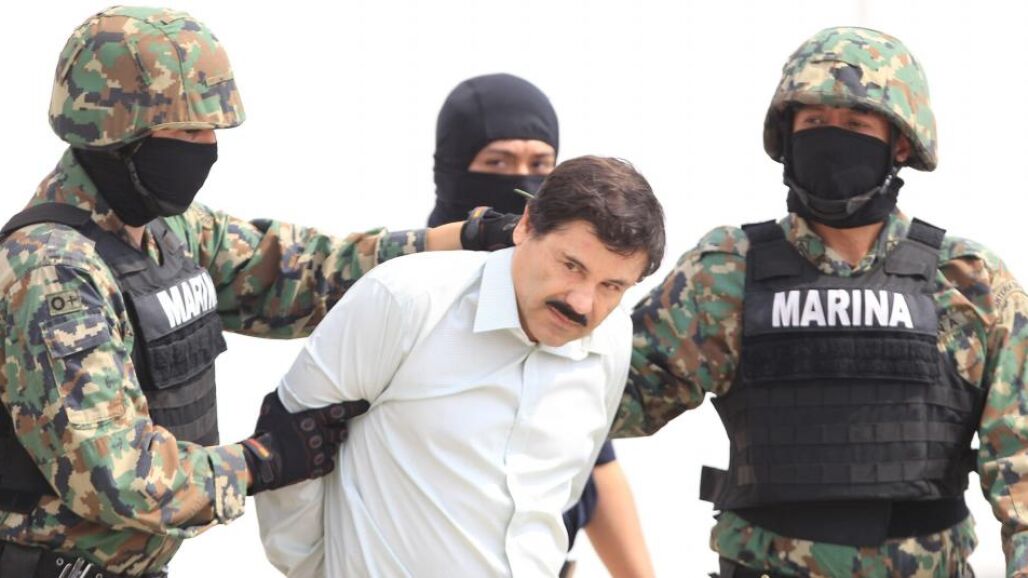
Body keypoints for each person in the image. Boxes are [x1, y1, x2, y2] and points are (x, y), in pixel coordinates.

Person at [0, 7, 494, 577]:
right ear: (116, 132)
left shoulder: (163, 230)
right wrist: (263, 461)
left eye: (211, 130)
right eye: (188, 130)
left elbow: (297, 274)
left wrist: (458, 239)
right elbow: (118, 478)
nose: (207, 146)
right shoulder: (52, 272)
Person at [614, 26, 1028, 577]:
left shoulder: (969, 282)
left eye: (856, 125)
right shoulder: (727, 273)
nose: (832, 139)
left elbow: (1020, 455)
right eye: (814, 122)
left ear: (900, 144)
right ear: (787, 137)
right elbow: (603, 398)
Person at [256, 155, 666, 577]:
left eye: (611, 286)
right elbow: (287, 441)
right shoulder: (404, 301)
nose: (582, 302)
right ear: (526, 225)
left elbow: (566, 489)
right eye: (571, 266)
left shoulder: (612, 339)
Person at [430, 72, 654, 578]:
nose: (520, 182)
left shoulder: (569, 306)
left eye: (539, 165)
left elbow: (595, 463)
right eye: (497, 163)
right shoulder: (409, 299)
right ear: (453, 165)